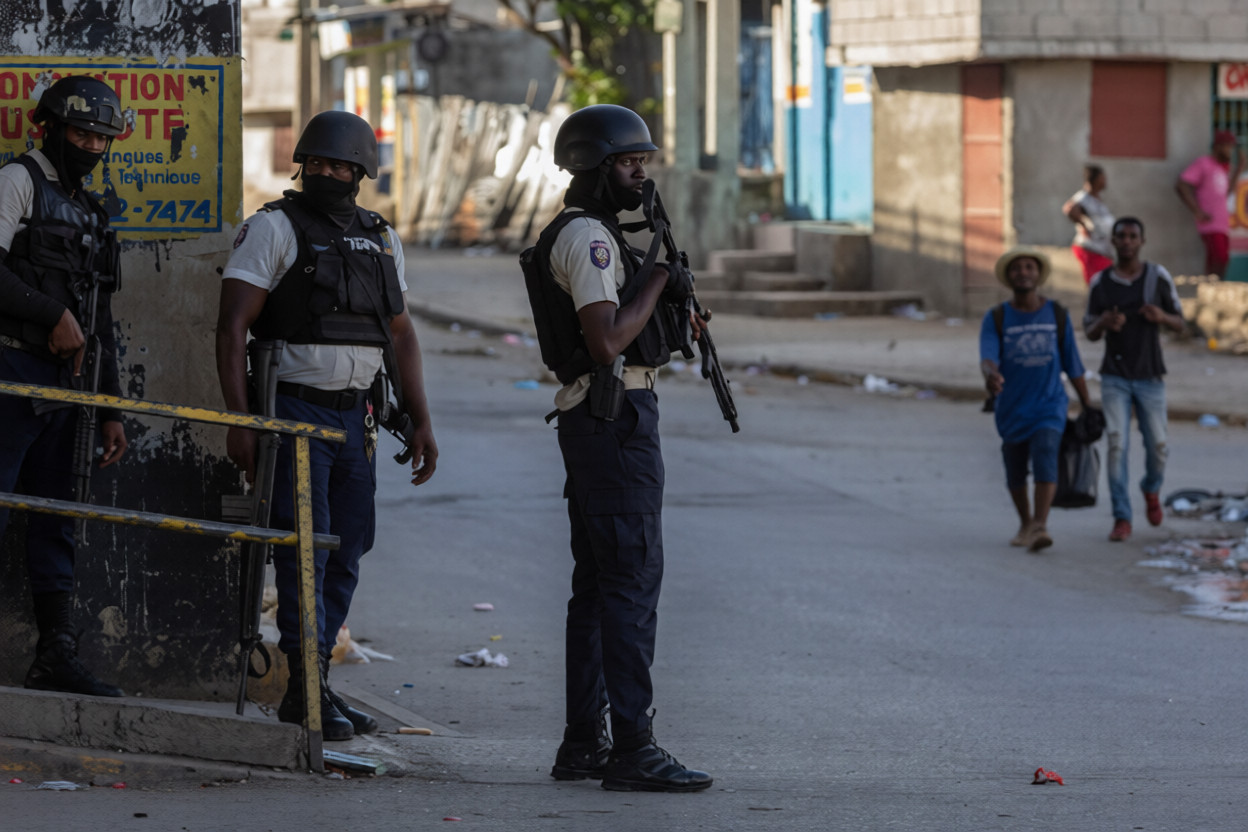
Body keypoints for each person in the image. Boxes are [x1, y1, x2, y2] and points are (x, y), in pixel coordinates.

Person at [215, 111, 437, 741]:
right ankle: (302, 687)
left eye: (341, 166)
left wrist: (420, 419)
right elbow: (232, 328)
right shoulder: (272, 228)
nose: (328, 174)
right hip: (293, 411)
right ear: (302, 166)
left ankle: (317, 683)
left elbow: (400, 334)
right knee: (300, 547)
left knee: (348, 547)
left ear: (361, 172)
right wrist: (241, 423)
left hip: (357, 416)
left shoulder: (380, 238)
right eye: (317, 164)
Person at [524, 104, 712, 792]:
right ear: (598, 168)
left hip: (605, 419)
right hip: (614, 420)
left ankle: (584, 743)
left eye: (642, 162)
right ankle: (633, 744)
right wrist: (660, 277)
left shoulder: (596, 235)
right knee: (630, 583)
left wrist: (666, 305)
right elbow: (605, 340)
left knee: (600, 589)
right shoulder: (589, 239)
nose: (641, 175)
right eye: (630, 163)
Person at [0, 76, 129, 697]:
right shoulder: (18, 182)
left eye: (102, 137)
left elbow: (100, 320)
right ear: (48, 126)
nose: (91, 145)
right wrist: (48, 316)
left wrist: (111, 409)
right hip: (10, 374)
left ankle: (55, 653)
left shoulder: (91, 214)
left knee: (56, 520)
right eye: (81, 132)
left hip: (70, 392)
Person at [980, 247, 1091, 552]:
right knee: (1015, 469)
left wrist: (1088, 404)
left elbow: (1073, 362)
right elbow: (988, 355)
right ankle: (1025, 522)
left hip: (1049, 404)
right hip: (1012, 407)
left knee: (1045, 452)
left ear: (1038, 275)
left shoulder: (1056, 314)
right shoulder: (998, 317)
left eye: (1029, 268)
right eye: (1017, 269)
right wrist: (990, 374)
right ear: (1009, 277)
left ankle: (1040, 525)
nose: (1023, 273)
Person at [1084, 217, 1185, 542]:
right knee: (1117, 444)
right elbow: (1088, 330)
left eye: (1132, 236)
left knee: (1158, 446)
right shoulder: (1101, 283)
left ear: (1142, 241)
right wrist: (1103, 323)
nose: (1126, 241)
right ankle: (1122, 517)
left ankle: (1151, 489)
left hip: (1150, 376)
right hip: (1115, 377)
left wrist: (1162, 317)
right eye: (1121, 236)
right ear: (1113, 242)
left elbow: (1183, 323)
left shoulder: (1157, 277)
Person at [1175, 130, 1244, 278]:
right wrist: (1196, 210)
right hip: (1210, 223)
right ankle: (1212, 289)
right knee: (1218, 258)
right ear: (1218, 146)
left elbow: (1226, 192)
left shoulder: (1222, 168)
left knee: (1221, 258)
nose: (1230, 151)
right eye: (1228, 147)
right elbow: (1181, 184)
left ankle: (1215, 289)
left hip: (1222, 223)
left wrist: (1239, 169)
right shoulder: (1204, 163)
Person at [1062, 164, 1115, 284]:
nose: (1105, 181)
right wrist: (1083, 225)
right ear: (1094, 179)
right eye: (1102, 178)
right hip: (1092, 251)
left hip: (1103, 252)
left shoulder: (1096, 198)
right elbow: (1069, 209)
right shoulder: (1083, 197)